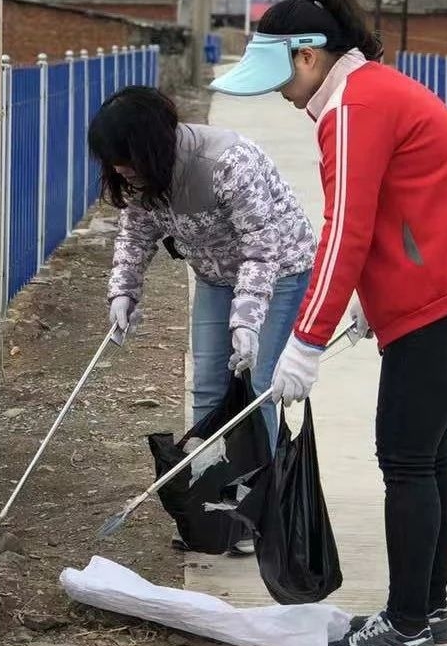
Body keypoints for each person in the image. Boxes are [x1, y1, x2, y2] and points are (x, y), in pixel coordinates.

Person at [211, 0, 447, 646]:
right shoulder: (374, 91)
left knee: (406, 461)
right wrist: (360, 302)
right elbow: (385, 217)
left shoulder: (350, 109)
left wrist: (306, 339)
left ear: (311, 57)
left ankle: (405, 628)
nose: (284, 97)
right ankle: (427, 611)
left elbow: (346, 228)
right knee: (428, 457)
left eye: (282, 80)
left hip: (443, 304)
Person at [90, 84, 315, 468]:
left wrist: (246, 321)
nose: (118, 169)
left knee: (257, 387)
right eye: (113, 161)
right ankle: (207, 493)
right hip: (215, 278)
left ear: (152, 146)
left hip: (279, 272)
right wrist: (123, 292)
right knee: (208, 386)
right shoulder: (141, 179)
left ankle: (257, 496)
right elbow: (136, 233)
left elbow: (261, 247)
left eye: (125, 159)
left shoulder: (226, 162)